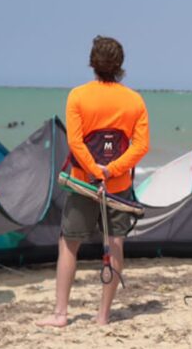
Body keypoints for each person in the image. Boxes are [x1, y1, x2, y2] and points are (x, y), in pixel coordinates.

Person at [38, 36, 149, 328]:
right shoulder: (134, 100)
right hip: (118, 186)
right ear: (120, 65)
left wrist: (95, 171)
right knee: (114, 244)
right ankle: (102, 317)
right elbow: (141, 147)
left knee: (68, 244)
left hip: (83, 183)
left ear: (92, 63)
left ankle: (61, 314)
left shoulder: (78, 96)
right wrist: (112, 170)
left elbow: (75, 142)